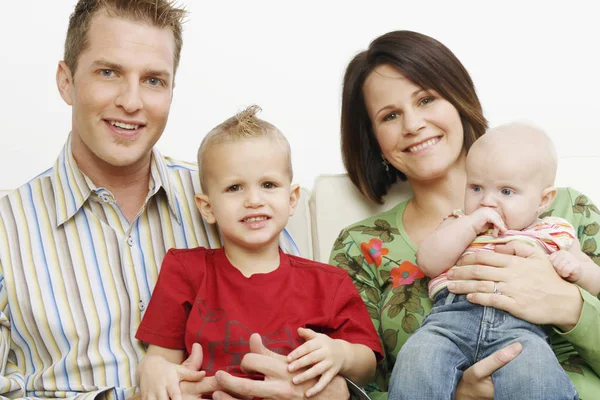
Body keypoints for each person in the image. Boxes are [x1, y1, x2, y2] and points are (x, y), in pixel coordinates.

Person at [0, 1, 310, 399]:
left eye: (153, 80)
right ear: (66, 80)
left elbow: (314, 333)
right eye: (108, 72)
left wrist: (324, 388)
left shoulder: (235, 200)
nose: (132, 102)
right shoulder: (8, 230)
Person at [328, 30, 600, 400]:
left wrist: (570, 306)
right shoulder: (362, 247)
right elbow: (359, 386)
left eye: (426, 99)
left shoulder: (567, 212)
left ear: (458, 100)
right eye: (390, 115)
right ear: (372, 137)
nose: (412, 125)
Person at [135, 106, 383, 400]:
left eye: (268, 185)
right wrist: (152, 369)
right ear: (207, 207)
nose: (254, 200)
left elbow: (367, 364)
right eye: (234, 187)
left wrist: (340, 353)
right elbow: (160, 358)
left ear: (291, 199)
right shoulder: (186, 270)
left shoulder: (328, 283)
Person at [390, 123, 600, 399]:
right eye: (476, 188)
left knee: (536, 374)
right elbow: (428, 261)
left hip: (522, 331)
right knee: (416, 359)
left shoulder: (554, 232)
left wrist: (575, 270)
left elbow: (595, 280)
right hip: (449, 322)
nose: (487, 201)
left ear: (543, 200)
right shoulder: (458, 223)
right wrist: (470, 225)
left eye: (507, 192)